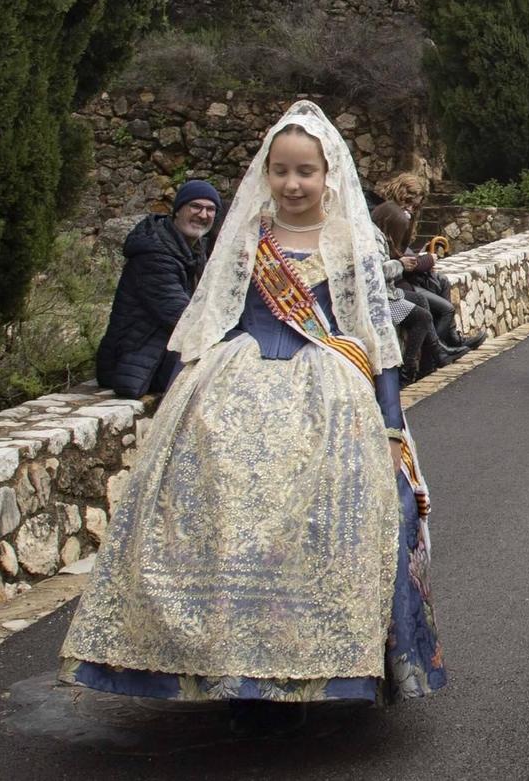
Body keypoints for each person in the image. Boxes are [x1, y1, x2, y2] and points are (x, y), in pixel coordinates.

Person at [62, 102, 444, 706]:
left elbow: (377, 338)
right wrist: (178, 394)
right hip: (233, 382)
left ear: (328, 174)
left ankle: (317, 663)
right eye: (281, 171)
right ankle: (225, 664)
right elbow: (209, 318)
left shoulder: (349, 241)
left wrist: (392, 423)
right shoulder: (246, 236)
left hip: (328, 395)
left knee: (336, 520)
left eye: (305, 172)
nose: (292, 184)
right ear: (266, 173)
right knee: (217, 518)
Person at [94, 180, 219, 401]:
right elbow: (182, 316)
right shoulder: (154, 254)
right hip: (134, 362)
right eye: (195, 206)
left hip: (158, 351)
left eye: (210, 209)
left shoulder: (191, 249)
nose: (203, 215)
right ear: (177, 210)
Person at [370, 203, 470, 383]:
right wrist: (401, 264)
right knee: (422, 317)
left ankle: (432, 360)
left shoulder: (377, 234)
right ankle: (408, 372)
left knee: (421, 300)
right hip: (381, 298)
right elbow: (377, 272)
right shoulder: (373, 238)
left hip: (389, 292)